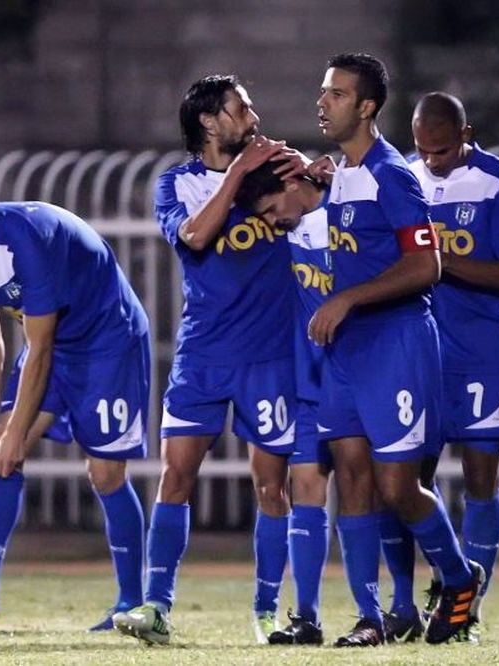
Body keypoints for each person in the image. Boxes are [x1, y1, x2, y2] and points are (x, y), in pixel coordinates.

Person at [0, 187, 151, 631]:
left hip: (108, 344)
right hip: (55, 346)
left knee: (105, 474)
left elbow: (38, 348)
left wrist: (17, 431)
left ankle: (132, 602)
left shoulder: (29, 238)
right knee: (0, 445)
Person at [113, 75, 301, 645]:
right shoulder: (177, 185)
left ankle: (267, 613)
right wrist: (239, 175)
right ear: (210, 124)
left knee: (271, 486)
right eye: (241, 106)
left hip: (270, 356)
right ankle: (157, 606)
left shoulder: (279, 170)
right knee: (175, 475)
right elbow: (194, 237)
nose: (252, 112)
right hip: (203, 356)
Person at [311, 53, 484, 647]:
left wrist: (349, 298)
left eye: (336, 94)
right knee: (351, 481)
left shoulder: (392, 174)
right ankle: (370, 618)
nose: (322, 102)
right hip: (347, 351)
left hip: (396, 344)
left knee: (397, 488)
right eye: (323, 91)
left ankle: (460, 578)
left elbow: (427, 263)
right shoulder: (342, 174)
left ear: (366, 107)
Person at [408, 92, 499, 642]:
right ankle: (444, 585)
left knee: (480, 475)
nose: (432, 160)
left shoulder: (498, 181)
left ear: (466, 133)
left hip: (481, 346)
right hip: (419, 344)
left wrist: (442, 262)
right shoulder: (405, 178)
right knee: (414, 476)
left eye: (441, 149)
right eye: (423, 150)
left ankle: (470, 608)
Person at [234, 162, 331, 645]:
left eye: (273, 209)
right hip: (279, 373)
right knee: (274, 489)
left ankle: (313, 614)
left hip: (338, 372)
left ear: (293, 184)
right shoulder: (269, 231)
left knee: (365, 486)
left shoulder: (348, 209)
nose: (271, 220)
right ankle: (270, 608)